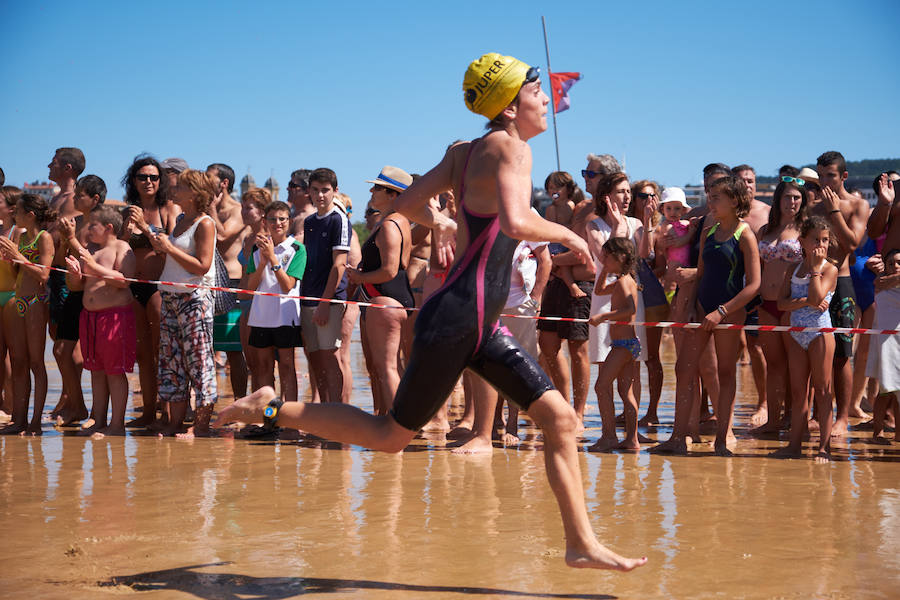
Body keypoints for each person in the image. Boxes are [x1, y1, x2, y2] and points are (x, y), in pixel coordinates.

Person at [215, 52, 646, 572]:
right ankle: (269, 407)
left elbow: (402, 203)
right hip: (460, 318)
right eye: (535, 93)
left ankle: (580, 544)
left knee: (558, 420)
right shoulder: (512, 148)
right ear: (509, 107)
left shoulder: (464, 152)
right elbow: (515, 221)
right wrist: (570, 235)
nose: (546, 102)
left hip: (475, 319)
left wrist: (439, 220)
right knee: (389, 436)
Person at [653, 174, 760, 455]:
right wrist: (690, 307)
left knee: (725, 373)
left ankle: (723, 439)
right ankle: (678, 437)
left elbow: (754, 285)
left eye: (715, 198)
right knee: (684, 368)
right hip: (702, 310)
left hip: (729, 314)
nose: (709, 203)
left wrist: (722, 311)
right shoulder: (708, 231)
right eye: (709, 197)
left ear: (733, 201)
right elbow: (701, 273)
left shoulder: (745, 234)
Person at [150, 169, 217, 437]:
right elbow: (173, 257)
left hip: (194, 299)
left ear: (195, 193)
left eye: (180, 187)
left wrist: (168, 248)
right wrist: (157, 243)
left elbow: (202, 266)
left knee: (199, 362)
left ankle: (200, 427)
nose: (174, 190)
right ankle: (175, 423)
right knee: (171, 362)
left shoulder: (205, 223)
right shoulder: (179, 220)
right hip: (170, 296)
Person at [64, 206, 136, 438]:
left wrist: (93, 266)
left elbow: (124, 281)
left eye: (93, 225)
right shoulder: (90, 250)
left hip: (114, 317)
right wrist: (75, 274)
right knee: (95, 371)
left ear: (108, 227)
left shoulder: (122, 248)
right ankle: (99, 420)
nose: (88, 229)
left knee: (115, 372)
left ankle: (117, 425)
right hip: (90, 317)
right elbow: (77, 286)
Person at [348, 167, 414, 416]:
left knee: (387, 369)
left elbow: (389, 270)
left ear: (393, 194)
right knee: (390, 367)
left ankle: (397, 426)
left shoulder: (389, 226)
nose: (371, 192)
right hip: (393, 298)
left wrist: (359, 277)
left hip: (385, 300)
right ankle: (390, 420)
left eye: (377, 187)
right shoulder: (399, 222)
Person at [120, 155, 180, 429]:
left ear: (161, 181)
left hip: (160, 286)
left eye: (153, 177)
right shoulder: (128, 211)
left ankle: (167, 413)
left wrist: (144, 227)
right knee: (142, 355)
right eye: (142, 177)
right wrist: (126, 230)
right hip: (134, 286)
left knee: (162, 352)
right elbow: (120, 248)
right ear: (133, 180)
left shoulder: (168, 209)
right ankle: (147, 412)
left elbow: (170, 248)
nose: (148, 182)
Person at [771, 217, 838, 462]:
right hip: (797, 333)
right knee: (798, 392)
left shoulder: (830, 269)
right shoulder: (793, 269)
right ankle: (794, 445)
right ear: (802, 241)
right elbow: (781, 303)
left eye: (825, 240)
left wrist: (816, 269)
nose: (820, 245)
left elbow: (818, 297)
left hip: (820, 333)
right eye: (815, 240)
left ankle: (824, 448)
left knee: (823, 391)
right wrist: (804, 302)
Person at [812, 151, 868, 437]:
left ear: (843, 176)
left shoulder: (857, 205)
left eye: (830, 176)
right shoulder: (813, 207)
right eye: (820, 176)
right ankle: (816, 414)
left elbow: (853, 244)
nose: (824, 181)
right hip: (813, 280)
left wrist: (834, 211)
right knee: (814, 351)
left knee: (842, 355)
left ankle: (843, 417)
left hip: (842, 281)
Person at [751, 176, 806, 435]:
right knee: (774, 365)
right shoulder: (765, 231)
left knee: (797, 367)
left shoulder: (806, 229)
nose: (791, 202)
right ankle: (774, 421)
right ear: (778, 199)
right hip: (766, 304)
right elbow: (757, 269)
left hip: (792, 304)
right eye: (787, 196)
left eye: (796, 197)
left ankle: (796, 420)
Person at [0, 194, 57, 435]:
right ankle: (19, 419)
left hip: (36, 301)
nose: (15, 215)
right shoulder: (20, 237)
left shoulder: (44, 238)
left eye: (19, 211)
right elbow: (17, 269)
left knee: (36, 363)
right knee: (18, 361)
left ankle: (35, 422)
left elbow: (44, 275)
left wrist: (18, 256)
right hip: (18, 300)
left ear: (30, 215)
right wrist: (10, 259)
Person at [53, 175, 108, 426]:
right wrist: (66, 240)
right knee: (60, 350)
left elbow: (93, 259)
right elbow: (61, 258)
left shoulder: (103, 224)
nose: (74, 199)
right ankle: (78, 405)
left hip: (96, 294)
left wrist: (72, 238)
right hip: (74, 291)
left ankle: (95, 413)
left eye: (79, 195)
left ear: (95, 199)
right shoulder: (75, 223)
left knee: (95, 357)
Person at [588, 237, 645, 451]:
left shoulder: (623, 282)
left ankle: (609, 437)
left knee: (601, 386)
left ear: (620, 257)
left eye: (606, 257)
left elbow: (630, 309)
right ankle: (632, 439)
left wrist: (603, 317)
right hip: (627, 344)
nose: (603, 260)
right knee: (625, 392)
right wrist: (604, 269)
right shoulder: (624, 279)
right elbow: (599, 290)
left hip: (623, 345)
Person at [245, 201, 305, 403]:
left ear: (290, 221)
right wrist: (263, 262)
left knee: (287, 366)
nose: (277, 223)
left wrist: (272, 258)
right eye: (272, 219)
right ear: (265, 221)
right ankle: (267, 413)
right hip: (261, 316)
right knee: (263, 366)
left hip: (285, 317)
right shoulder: (257, 248)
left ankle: (290, 413)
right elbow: (251, 287)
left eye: (282, 219)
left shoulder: (297, 248)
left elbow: (287, 286)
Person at [300, 168, 350, 405]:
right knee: (314, 358)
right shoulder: (309, 222)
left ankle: (337, 411)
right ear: (309, 191)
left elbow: (339, 265)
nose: (320, 195)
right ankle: (323, 409)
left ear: (335, 191)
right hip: (307, 297)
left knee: (330, 356)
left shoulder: (339, 220)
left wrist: (325, 302)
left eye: (325, 190)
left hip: (328, 300)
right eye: (315, 190)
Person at [46, 147, 86, 424]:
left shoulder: (74, 199)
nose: (49, 166)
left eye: (54, 163)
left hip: (65, 273)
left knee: (68, 343)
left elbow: (65, 236)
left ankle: (72, 399)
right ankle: (68, 396)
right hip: (52, 273)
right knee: (56, 336)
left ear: (68, 168)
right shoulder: (56, 198)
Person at [206, 163, 249, 398]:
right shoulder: (205, 208)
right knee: (205, 348)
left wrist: (211, 208)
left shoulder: (238, 210)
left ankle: (239, 401)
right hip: (207, 282)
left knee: (234, 350)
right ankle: (207, 403)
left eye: (209, 178)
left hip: (232, 283)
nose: (204, 181)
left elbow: (222, 236)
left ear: (224, 183)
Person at [627, 180, 668, 426]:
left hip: (651, 297)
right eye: (642, 196)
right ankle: (629, 409)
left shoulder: (661, 229)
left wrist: (643, 275)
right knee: (626, 355)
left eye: (652, 196)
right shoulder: (626, 225)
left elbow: (662, 266)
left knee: (652, 357)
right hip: (627, 296)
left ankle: (652, 411)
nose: (648, 201)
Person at [237, 187, 272, 392]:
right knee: (251, 363)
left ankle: (268, 407)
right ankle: (257, 407)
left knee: (263, 365)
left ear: (262, 211)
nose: (243, 212)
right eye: (242, 207)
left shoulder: (267, 239)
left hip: (259, 303)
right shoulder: (248, 238)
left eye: (248, 208)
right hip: (244, 301)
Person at [867, 248, 900, 444]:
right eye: (891, 264)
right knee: (886, 389)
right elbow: (879, 282)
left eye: (899, 263)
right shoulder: (880, 283)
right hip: (887, 343)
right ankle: (877, 432)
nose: (895, 266)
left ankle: (898, 434)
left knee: (898, 390)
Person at [0, 186, 22, 419]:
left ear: (11, 208)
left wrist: (12, 257)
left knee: (13, 355)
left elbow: (22, 268)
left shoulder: (18, 232)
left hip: (12, 295)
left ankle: (11, 405)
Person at [657, 186, 691, 302]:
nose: (673, 212)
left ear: (683, 210)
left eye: (677, 208)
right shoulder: (667, 225)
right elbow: (677, 243)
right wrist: (691, 233)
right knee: (673, 290)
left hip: (685, 263)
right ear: (662, 210)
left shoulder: (685, 223)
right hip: (674, 264)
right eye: (669, 208)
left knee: (685, 294)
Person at [288, 169, 314, 241]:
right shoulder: (288, 216)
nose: (288, 188)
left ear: (307, 191)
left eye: (292, 185)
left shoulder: (313, 218)